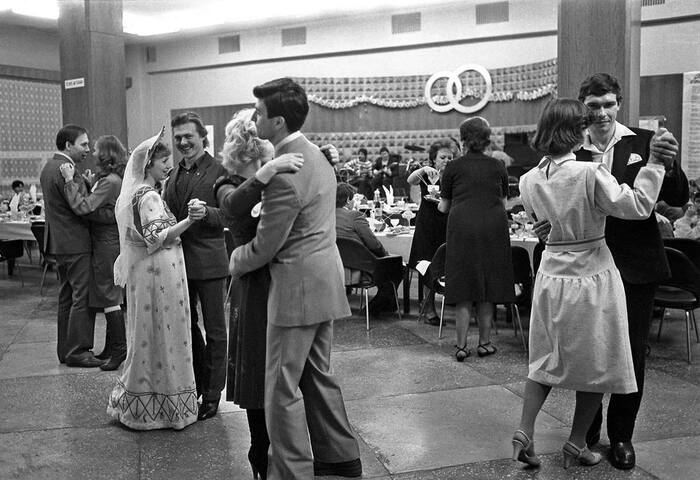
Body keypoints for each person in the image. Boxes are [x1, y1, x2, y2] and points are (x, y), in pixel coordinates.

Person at [534, 73, 687, 470]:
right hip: (584, 267)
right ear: (582, 107)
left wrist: (667, 166)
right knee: (586, 352)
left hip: (634, 263)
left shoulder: (642, 141)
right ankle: (587, 432)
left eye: (608, 105)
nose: (601, 113)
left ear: (619, 104)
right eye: (593, 106)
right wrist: (547, 222)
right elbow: (554, 202)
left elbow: (676, 198)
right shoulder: (567, 147)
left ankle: (622, 436)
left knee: (630, 354)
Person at [229, 77, 361, 480]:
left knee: (281, 390)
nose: (255, 119)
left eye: (260, 114)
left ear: (279, 122)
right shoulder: (316, 155)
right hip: (325, 283)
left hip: (295, 290)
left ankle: (293, 472)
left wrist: (235, 259)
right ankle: (340, 458)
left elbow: (265, 247)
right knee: (318, 375)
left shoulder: (285, 172)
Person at [215, 108, 305, 479]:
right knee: (257, 369)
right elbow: (231, 207)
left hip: (282, 280)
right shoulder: (226, 182)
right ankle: (259, 455)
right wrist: (266, 173)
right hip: (253, 287)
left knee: (284, 369)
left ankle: (282, 450)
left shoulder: (274, 178)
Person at [107, 129, 200, 431]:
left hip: (151, 271)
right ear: (148, 165)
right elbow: (157, 237)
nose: (168, 166)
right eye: (163, 161)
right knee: (162, 330)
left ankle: (143, 399)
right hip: (158, 272)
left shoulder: (143, 194)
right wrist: (189, 220)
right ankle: (163, 402)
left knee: (150, 331)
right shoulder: (147, 195)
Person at [162, 112, 228, 421]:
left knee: (215, 330)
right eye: (178, 138)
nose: (183, 142)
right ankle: (198, 382)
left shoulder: (220, 170)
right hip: (178, 263)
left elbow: (233, 214)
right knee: (186, 328)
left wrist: (209, 214)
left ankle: (214, 394)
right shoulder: (173, 174)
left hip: (211, 262)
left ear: (203, 137)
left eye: (189, 136)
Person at [438, 117, 514, 361]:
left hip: (462, 227)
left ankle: (461, 346)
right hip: (493, 227)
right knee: (486, 286)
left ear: (462, 140)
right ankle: (484, 342)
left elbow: (444, 206)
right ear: (487, 139)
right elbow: (503, 202)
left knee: (463, 286)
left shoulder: (453, 167)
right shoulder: (498, 166)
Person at [60, 135, 127, 371]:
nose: (92, 152)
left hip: (106, 243)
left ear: (106, 154)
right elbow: (105, 209)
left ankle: (119, 350)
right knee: (109, 293)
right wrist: (90, 185)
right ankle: (112, 348)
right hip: (107, 240)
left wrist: (70, 181)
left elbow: (85, 207)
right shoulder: (112, 179)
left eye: (96, 149)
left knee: (110, 294)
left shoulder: (110, 181)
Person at [39, 124, 104, 367]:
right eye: (84, 144)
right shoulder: (68, 170)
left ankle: (65, 350)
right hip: (76, 242)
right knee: (82, 297)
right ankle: (78, 351)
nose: (88, 149)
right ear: (68, 145)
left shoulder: (49, 167)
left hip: (59, 242)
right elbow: (82, 207)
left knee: (67, 295)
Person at [336, 182, 403, 316]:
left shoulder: (326, 216)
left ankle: (388, 304)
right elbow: (374, 245)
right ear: (349, 200)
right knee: (398, 266)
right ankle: (374, 307)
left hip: (337, 265)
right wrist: (386, 255)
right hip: (361, 267)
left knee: (391, 269)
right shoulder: (355, 216)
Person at [407, 140, 454, 325]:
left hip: (446, 223)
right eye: (442, 157)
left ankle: (438, 303)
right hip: (427, 224)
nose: (446, 160)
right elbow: (411, 180)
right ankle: (429, 308)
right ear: (433, 159)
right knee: (427, 264)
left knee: (442, 264)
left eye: (450, 157)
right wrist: (423, 170)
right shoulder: (427, 174)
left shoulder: (452, 176)